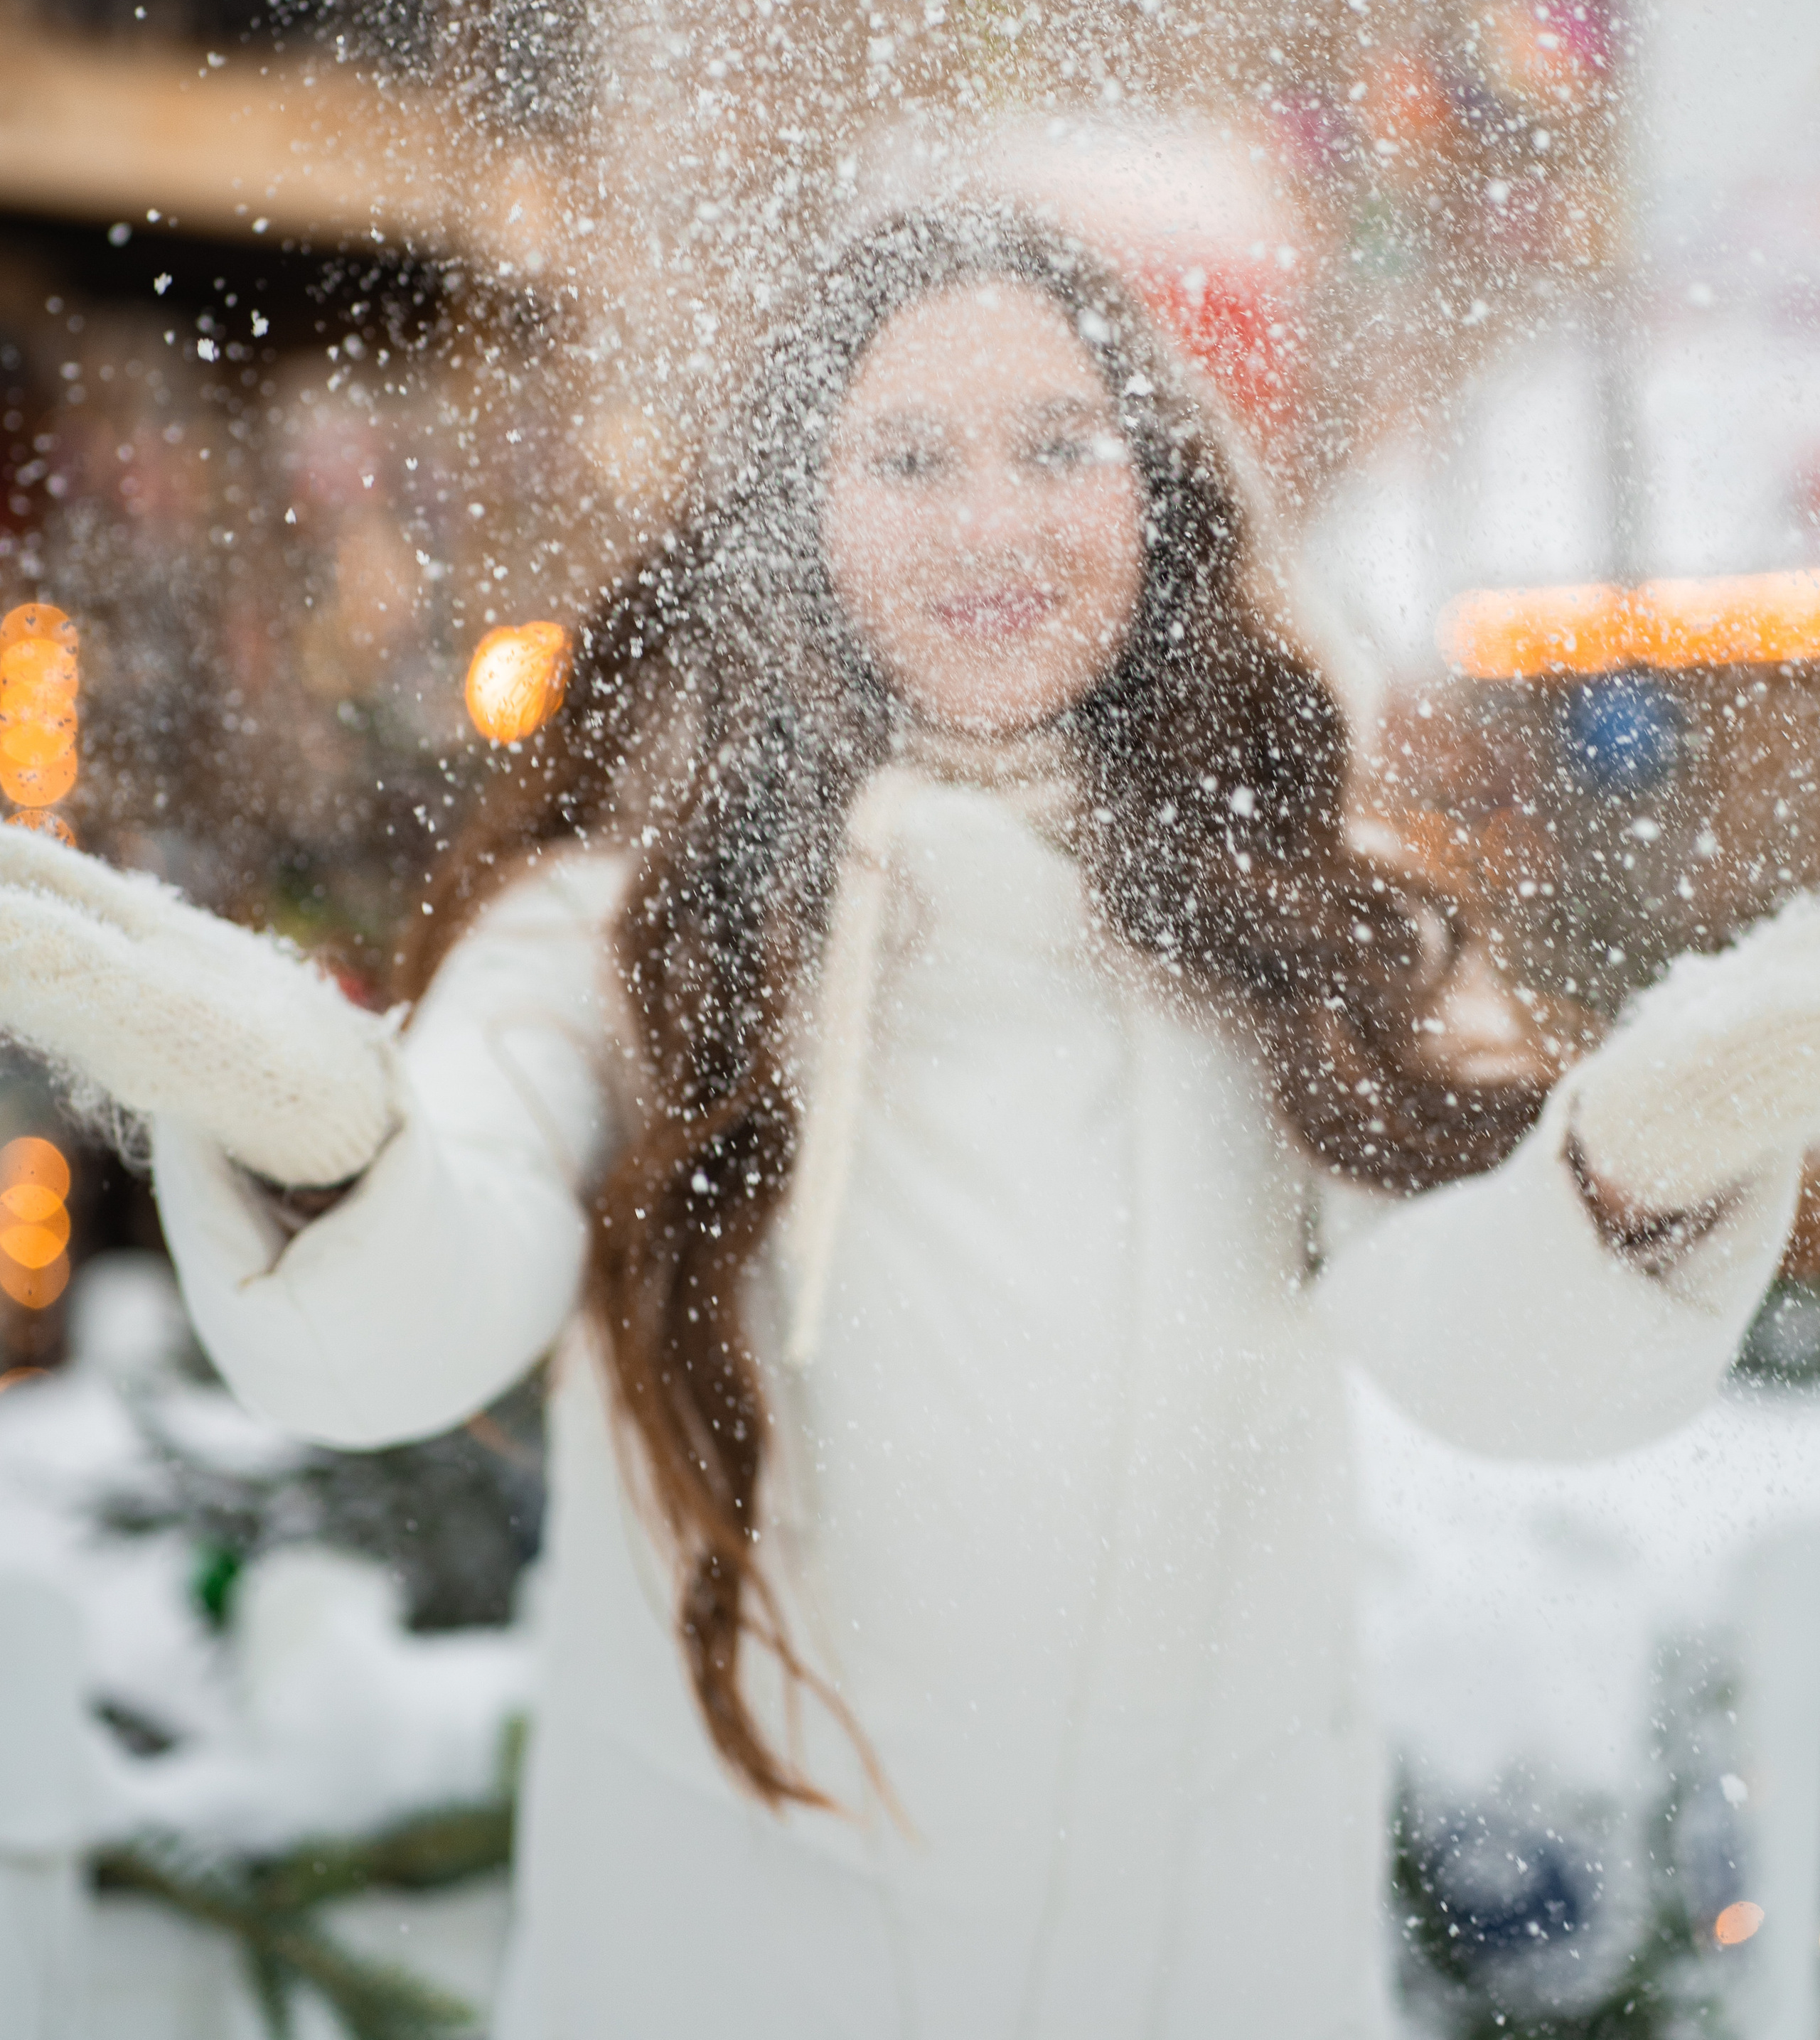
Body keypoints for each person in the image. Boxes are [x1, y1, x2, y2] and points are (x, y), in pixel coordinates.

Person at [1, 209, 1816, 2039]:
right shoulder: (619, 934)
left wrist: (1654, 1145)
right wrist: (315, 1135)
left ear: (1156, 497)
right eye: (908, 458)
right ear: (794, 515)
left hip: (1206, 1976)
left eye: (1057, 445)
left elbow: (1493, 1340)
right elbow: (421, 1303)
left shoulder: (1307, 918)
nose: (991, 521)